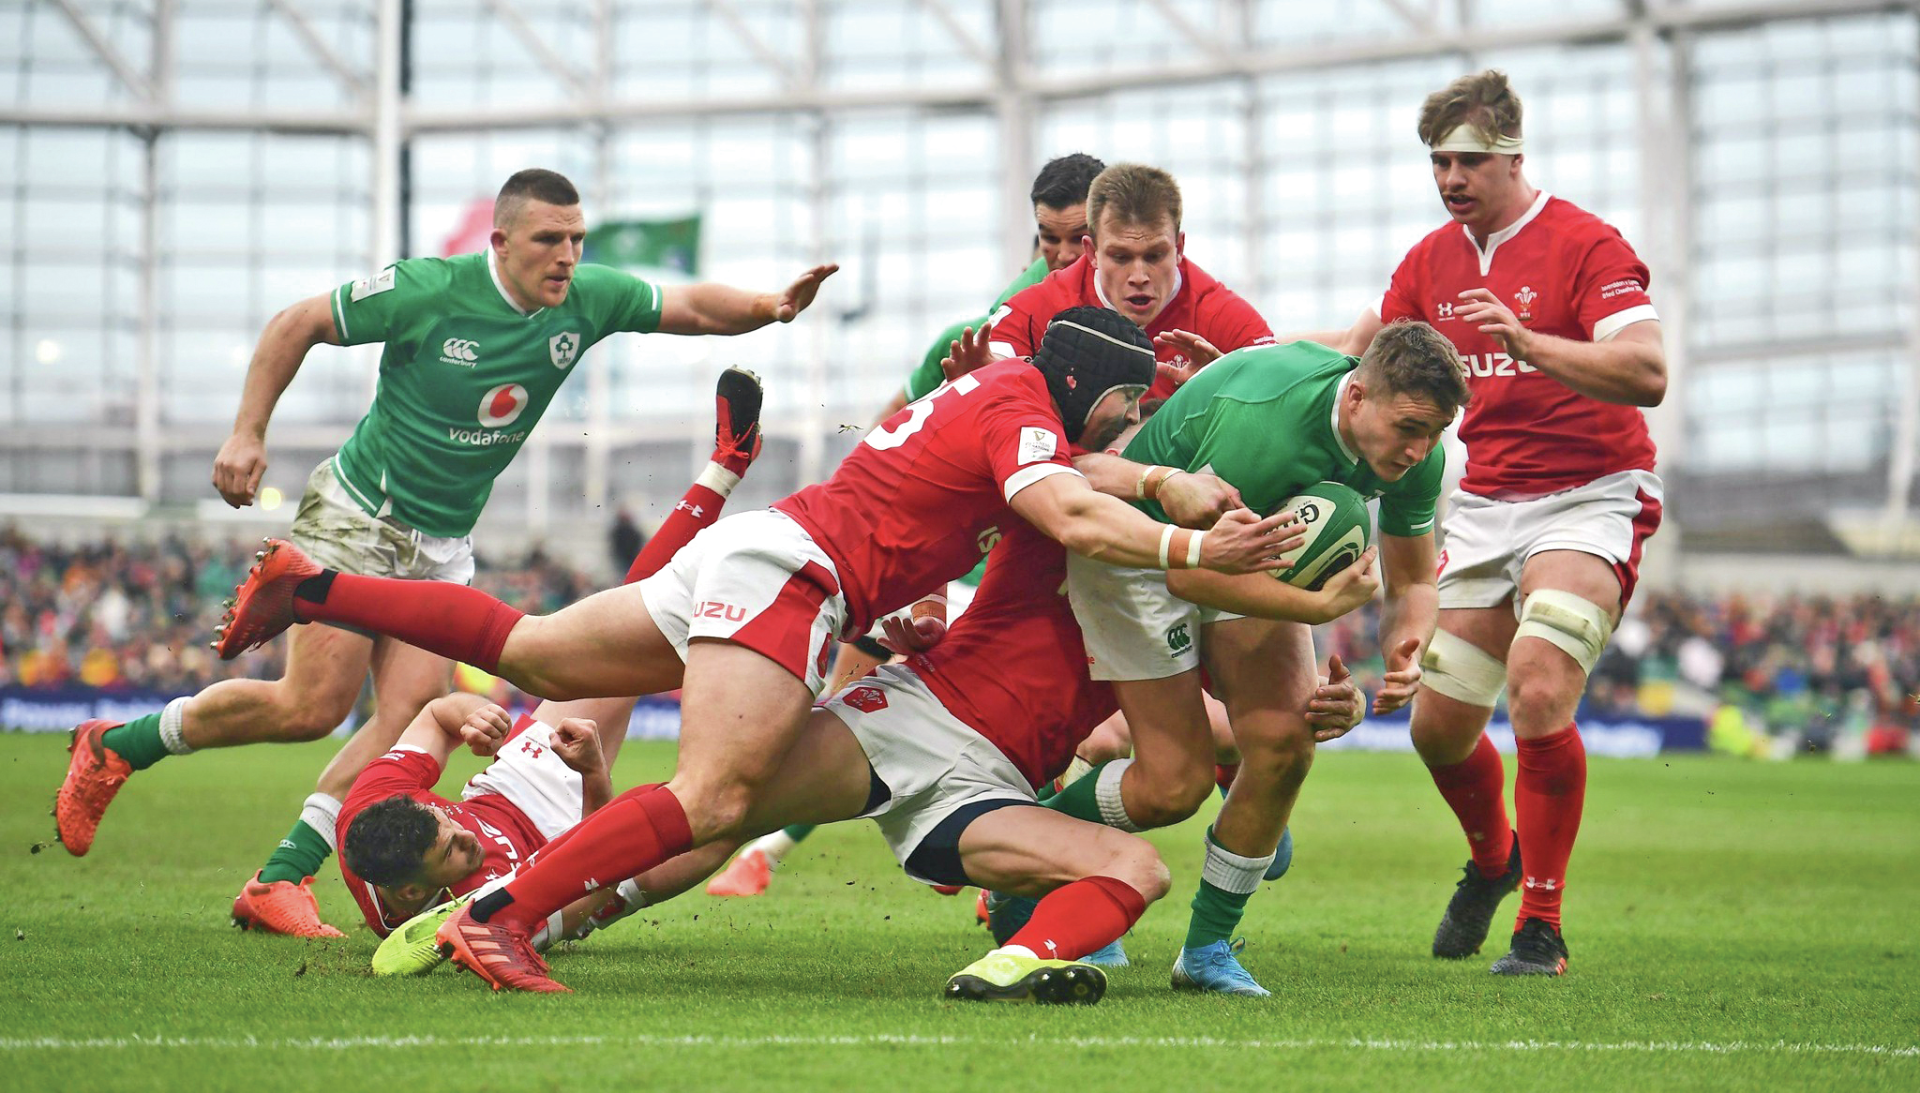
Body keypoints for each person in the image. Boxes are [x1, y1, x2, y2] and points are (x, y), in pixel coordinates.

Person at [211, 308, 1298, 992]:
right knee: (718, 796)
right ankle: (508, 915)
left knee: (539, 656)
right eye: (1118, 407)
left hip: (768, 549)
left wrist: (1156, 481)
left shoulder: (1001, 397)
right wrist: (1191, 532)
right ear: (1087, 390)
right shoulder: (1024, 410)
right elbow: (1066, 508)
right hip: (795, 576)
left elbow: (1077, 478)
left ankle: (311, 583)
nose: (1119, 426)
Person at [52, 164, 828, 941]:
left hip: (443, 543)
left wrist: (770, 306)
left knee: (401, 718)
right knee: (310, 708)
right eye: (549, 238)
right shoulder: (430, 289)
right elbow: (297, 322)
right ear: (501, 240)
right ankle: (117, 746)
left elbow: (688, 304)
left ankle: (279, 877)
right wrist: (247, 430)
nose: (568, 254)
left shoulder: (585, 299)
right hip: (363, 515)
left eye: (577, 239)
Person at [1305, 71, 1667, 976]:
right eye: (1438, 161)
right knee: (1436, 731)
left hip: (1591, 494)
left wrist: (1530, 344)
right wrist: (1239, 362)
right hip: (1489, 506)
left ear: (1513, 155)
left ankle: (1540, 927)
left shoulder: (1587, 244)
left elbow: (1647, 371)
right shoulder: (1431, 259)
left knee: (1540, 686)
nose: (1452, 176)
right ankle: (1494, 857)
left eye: (1469, 159)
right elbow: (1357, 351)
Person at [1042, 323, 1470, 995]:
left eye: (1435, 431)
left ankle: (1207, 949)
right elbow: (1189, 574)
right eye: (1409, 427)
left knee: (1285, 742)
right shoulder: (1266, 426)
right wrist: (1319, 608)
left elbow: (1414, 581)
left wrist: (1407, 649)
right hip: (1144, 552)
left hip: (1248, 544)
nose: (1418, 450)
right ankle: (1027, 847)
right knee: (1172, 786)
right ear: (1356, 396)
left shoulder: (1420, 453)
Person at [987, 163, 1274, 402]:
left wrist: (1231, 393)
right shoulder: (1038, 307)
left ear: (1179, 248)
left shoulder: (1222, 316)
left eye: (1155, 255)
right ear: (1092, 253)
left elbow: (1285, 392)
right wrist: (986, 378)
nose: (1139, 277)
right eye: (1121, 257)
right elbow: (987, 373)